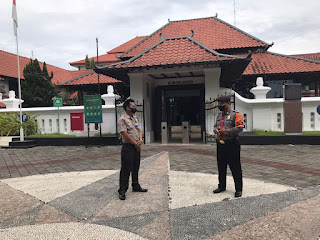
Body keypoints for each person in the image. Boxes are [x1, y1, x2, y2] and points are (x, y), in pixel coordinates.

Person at [213, 96, 244, 198]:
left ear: (228, 103)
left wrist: (225, 131)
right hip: (220, 144)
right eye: (219, 104)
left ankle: (238, 189)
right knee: (221, 167)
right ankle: (221, 186)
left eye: (222, 104)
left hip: (232, 144)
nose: (220, 106)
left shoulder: (236, 114)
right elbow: (215, 126)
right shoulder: (218, 116)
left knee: (235, 167)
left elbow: (239, 128)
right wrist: (216, 130)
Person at [117, 99, 147, 200]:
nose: (134, 107)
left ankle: (136, 185)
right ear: (127, 108)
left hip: (137, 146)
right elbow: (124, 134)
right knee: (126, 169)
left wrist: (140, 140)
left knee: (136, 166)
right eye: (132, 106)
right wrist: (135, 143)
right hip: (128, 147)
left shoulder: (135, 118)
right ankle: (122, 190)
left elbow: (139, 129)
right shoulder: (122, 119)